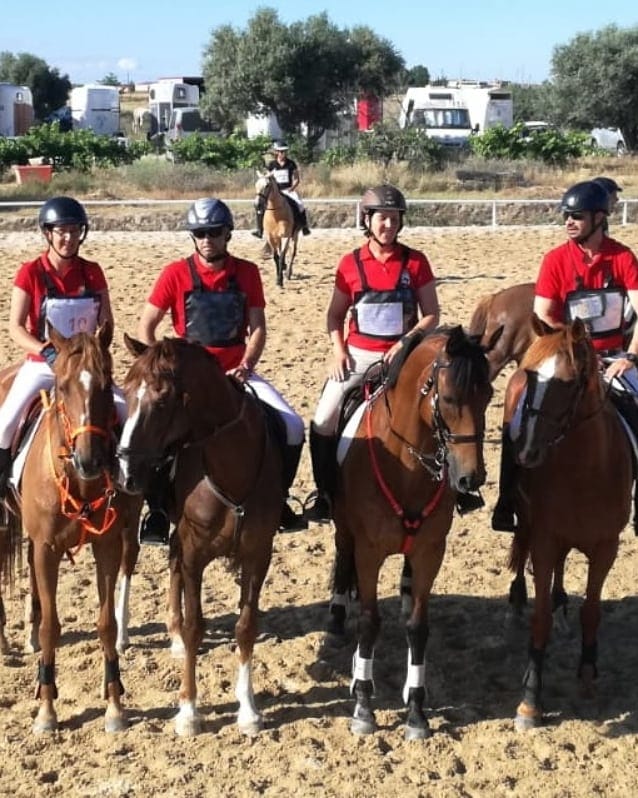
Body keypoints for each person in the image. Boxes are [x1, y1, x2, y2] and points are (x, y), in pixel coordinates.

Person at [304, 183, 484, 522]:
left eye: (394, 219)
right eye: (381, 219)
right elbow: (334, 316)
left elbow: (432, 313)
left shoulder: (415, 262)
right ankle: (326, 493)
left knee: (444, 407)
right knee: (324, 417)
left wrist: (407, 340)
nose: (388, 225)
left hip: (408, 355)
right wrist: (338, 351)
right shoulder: (349, 264)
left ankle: (460, 491)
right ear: (367, 220)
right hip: (360, 353)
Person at [137, 197, 307, 543]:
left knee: (291, 425)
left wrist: (247, 365)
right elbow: (146, 327)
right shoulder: (174, 274)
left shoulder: (247, 272)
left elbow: (257, 328)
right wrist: (165, 368)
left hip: (236, 373)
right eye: (200, 232)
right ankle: (156, 509)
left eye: (214, 232)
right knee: (154, 433)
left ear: (227, 234)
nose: (207, 239)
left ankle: (281, 499)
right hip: (189, 382)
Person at [491, 179, 638, 532]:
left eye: (577, 215)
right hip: (569, 355)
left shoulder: (622, 258)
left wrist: (630, 358)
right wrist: (576, 351)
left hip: (616, 357)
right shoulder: (556, 260)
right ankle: (507, 499)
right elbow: (544, 315)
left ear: (599, 219)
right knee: (519, 416)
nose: (568, 221)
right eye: (566, 215)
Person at [0, 196, 126, 497]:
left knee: (126, 413)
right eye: (61, 232)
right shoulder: (30, 272)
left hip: (84, 367)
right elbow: (15, 328)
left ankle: (128, 488)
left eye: (74, 231)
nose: (68, 238)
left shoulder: (92, 271)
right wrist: (49, 352)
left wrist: (94, 352)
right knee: (5, 423)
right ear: (48, 233)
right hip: (44, 365)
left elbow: (106, 320)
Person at [252, 140, 311, 239]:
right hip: (275, 192)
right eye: (280, 151)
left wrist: (292, 188)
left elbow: (296, 179)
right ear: (276, 152)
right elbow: (267, 178)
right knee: (260, 205)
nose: (282, 153)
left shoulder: (291, 164)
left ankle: (304, 226)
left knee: (300, 204)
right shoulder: (272, 165)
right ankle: (259, 230)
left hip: (288, 190)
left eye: (284, 151)